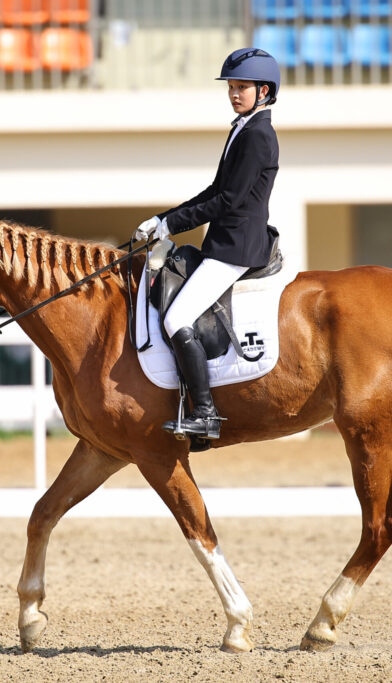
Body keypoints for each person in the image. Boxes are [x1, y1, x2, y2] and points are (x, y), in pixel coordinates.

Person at [134, 47, 282, 440]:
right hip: (224, 241)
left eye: (242, 87)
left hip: (236, 248)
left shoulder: (258, 135)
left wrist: (171, 225)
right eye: (231, 87)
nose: (234, 94)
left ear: (264, 91)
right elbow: (216, 189)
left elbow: (228, 200)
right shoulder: (243, 128)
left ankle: (205, 412)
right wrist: (165, 218)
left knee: (176, 318)